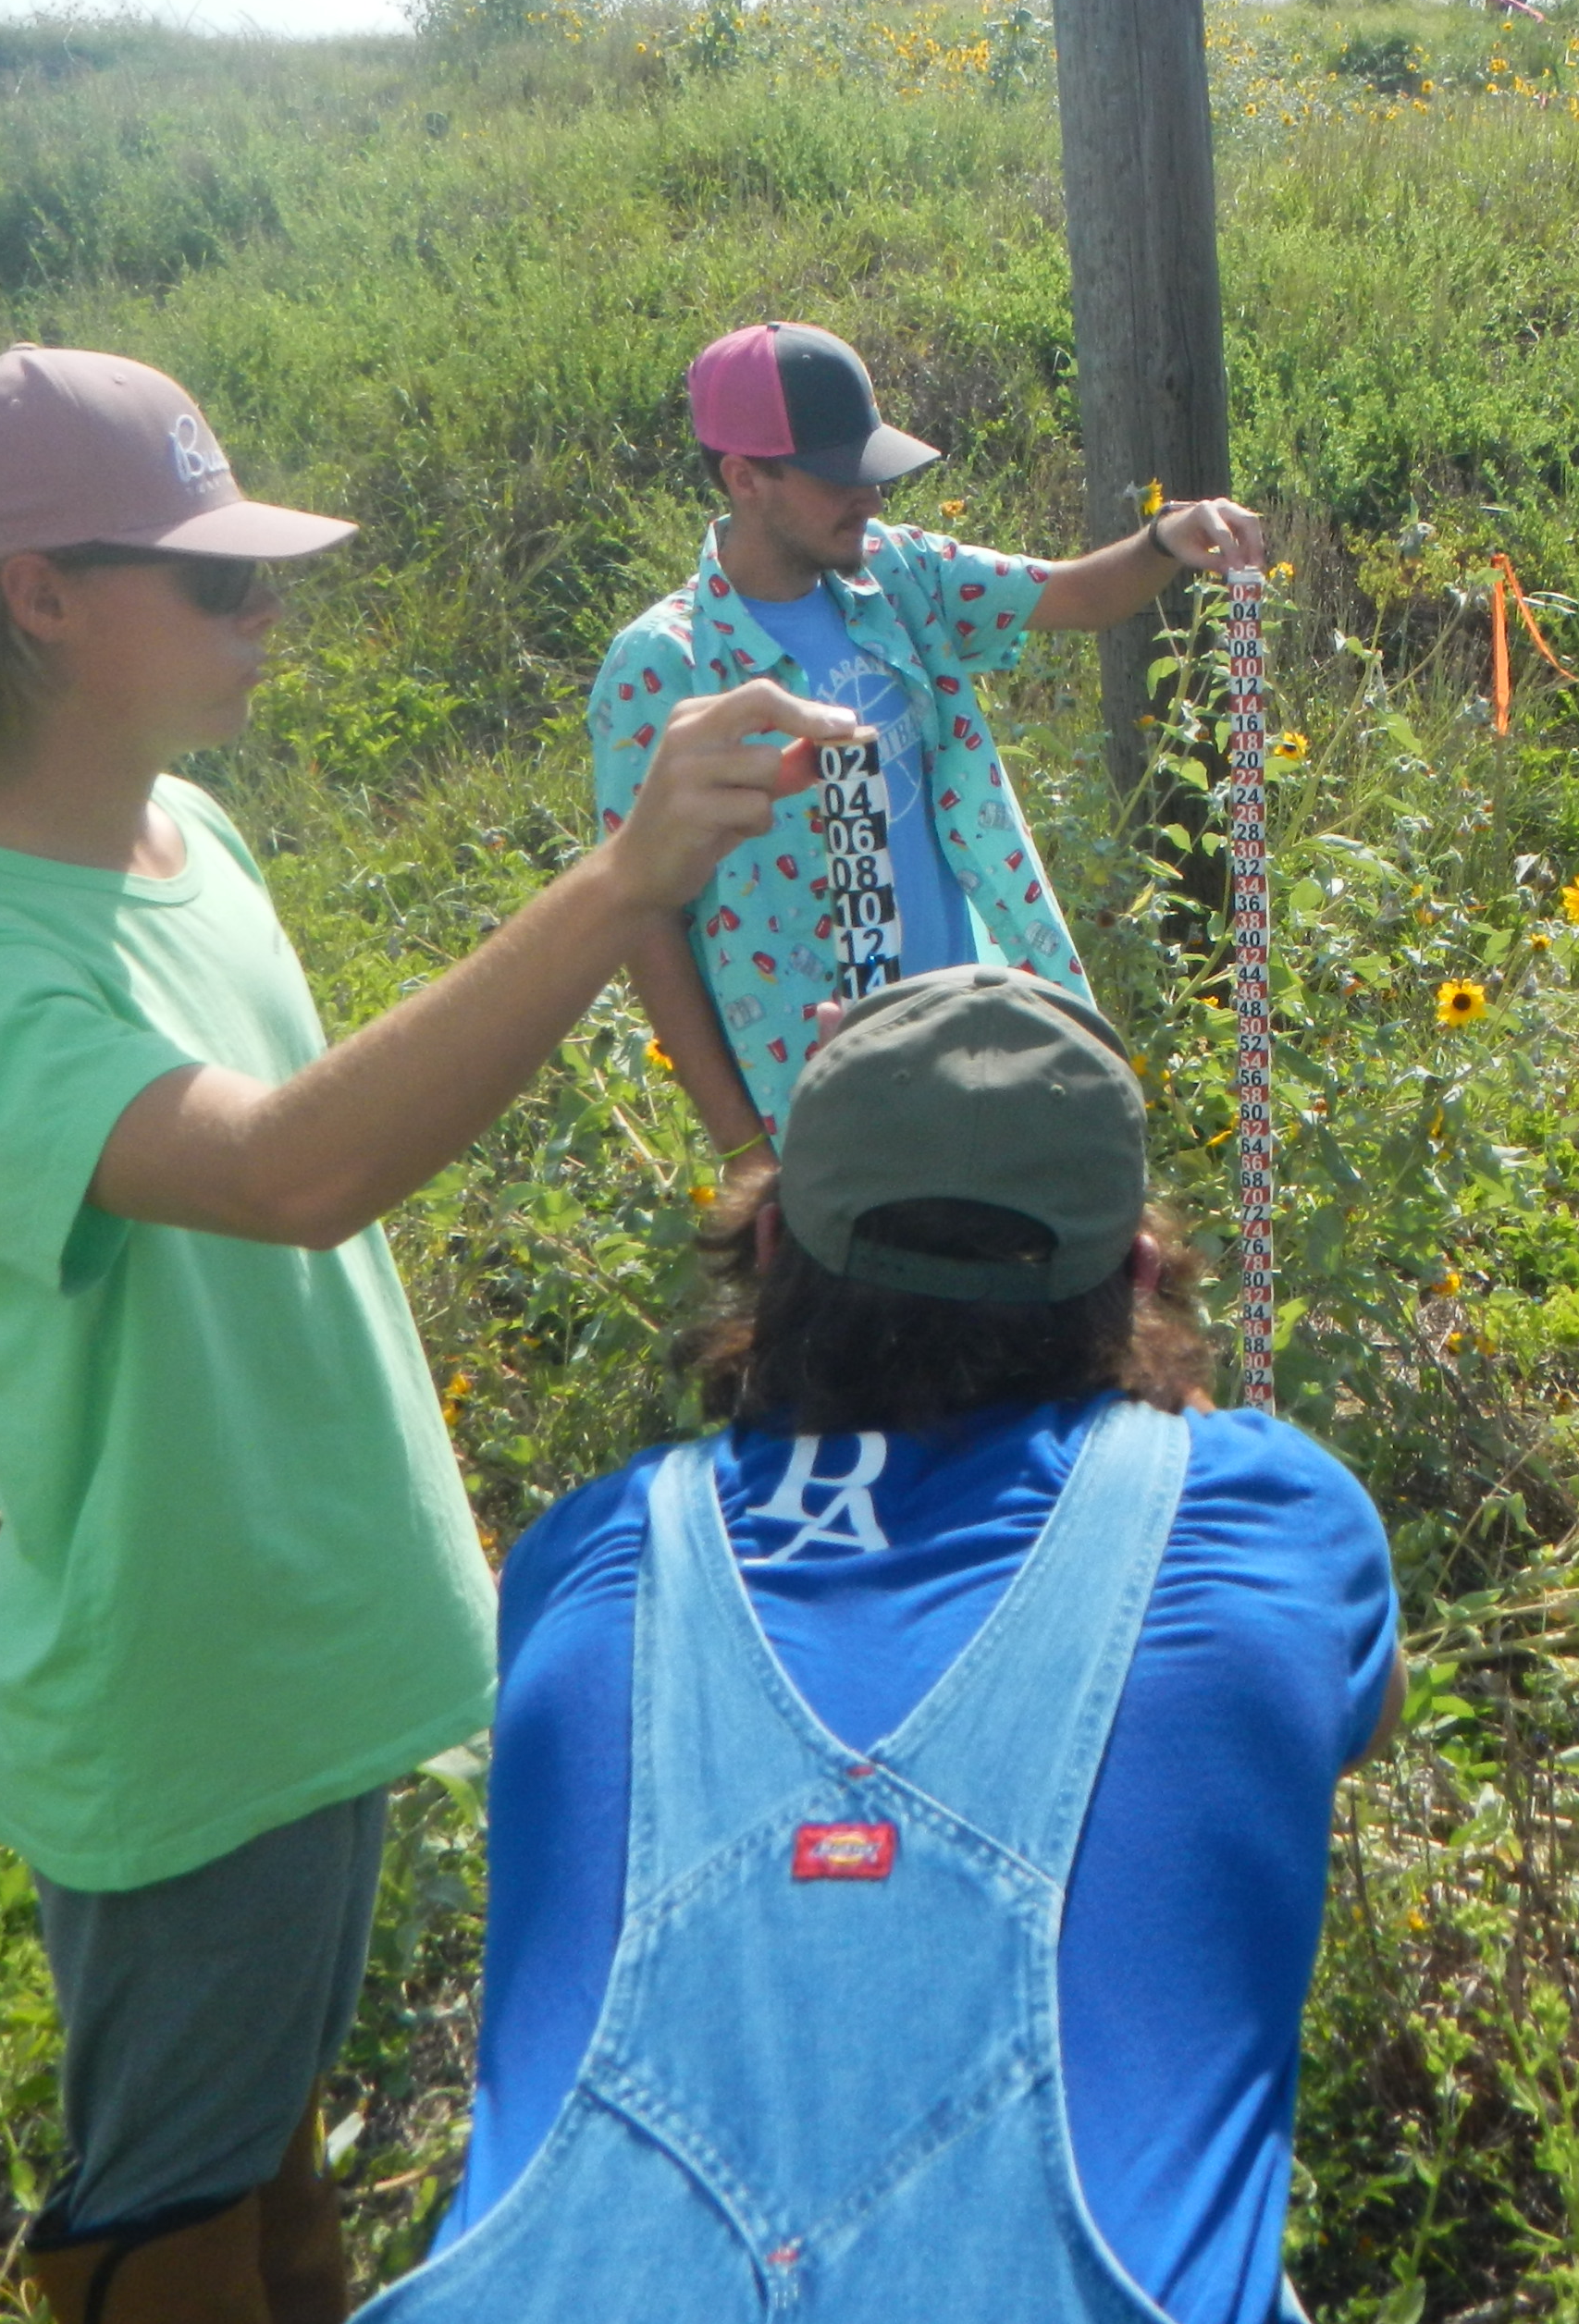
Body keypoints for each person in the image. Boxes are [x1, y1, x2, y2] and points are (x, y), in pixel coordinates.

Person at [0, 344, 845, 2324]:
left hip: (301, 1650)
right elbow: (291, 1176)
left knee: (267, 2167)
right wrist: (625, 874)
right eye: (213, 581)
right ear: (40, 591)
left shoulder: (188, 842)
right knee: (169, 2213)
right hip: (187, 1690)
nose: (263, 611)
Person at [374, 965, 1403, 2323]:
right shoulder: (1272, 1517)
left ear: (772, 1247)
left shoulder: (591, 1554)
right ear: (1142, 1273)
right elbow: (1353, 1718)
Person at [593, 319, 1267, 1159]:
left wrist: (1165, 537)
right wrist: (743, 1155)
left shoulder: (898, 573)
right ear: (744, 478)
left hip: (982, 1044)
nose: (869, 496)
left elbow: (1078, 598)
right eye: (839, 476)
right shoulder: (668, 663)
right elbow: (644, 919)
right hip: (820, 1104)